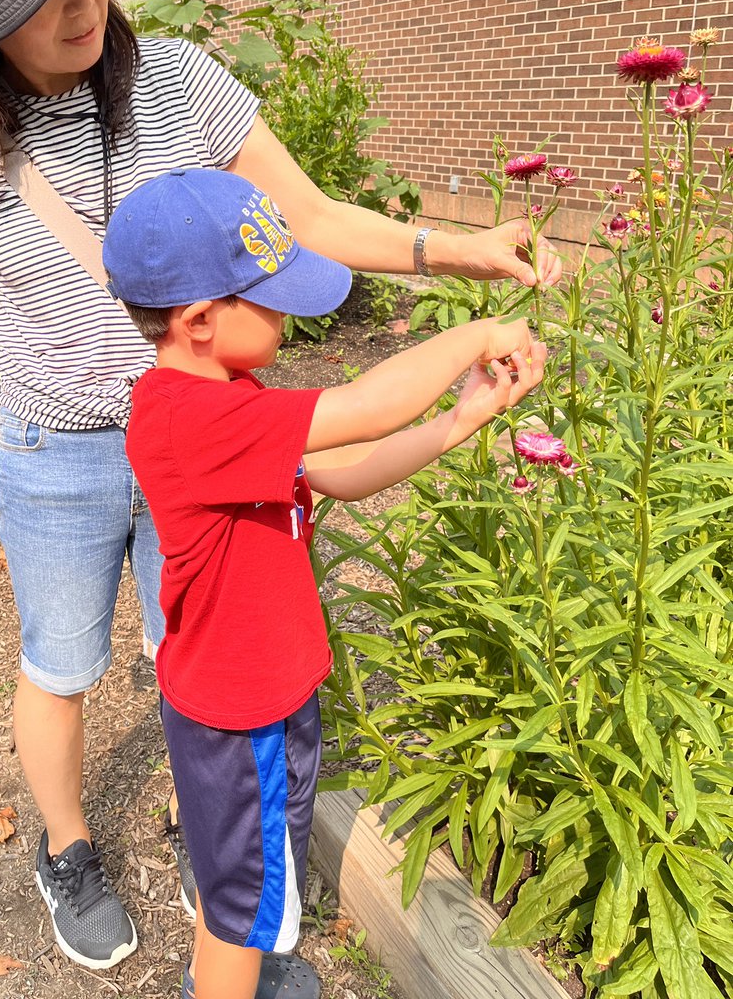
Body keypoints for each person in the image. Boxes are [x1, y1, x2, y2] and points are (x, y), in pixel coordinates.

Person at [0, 0, 561, 976]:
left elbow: (304, 220)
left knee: (193, 655)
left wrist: (462, 250)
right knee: (61, 663)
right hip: (57, 444)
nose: (83, 0)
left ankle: (227, 872)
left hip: (213, 435)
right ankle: (70, 850)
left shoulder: (176, 81)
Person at [102, 167, 547, 999]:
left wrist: (461, 420)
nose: (286, 317)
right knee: (247, 904)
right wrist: (476, 334)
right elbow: (366, 406)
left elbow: (340, 470)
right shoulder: (192, 421)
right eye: (269, 301)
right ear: (199, 320)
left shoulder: (220, 396)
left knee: (237, 880)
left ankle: (228, 972)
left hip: (244, 699)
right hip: (249, 716)